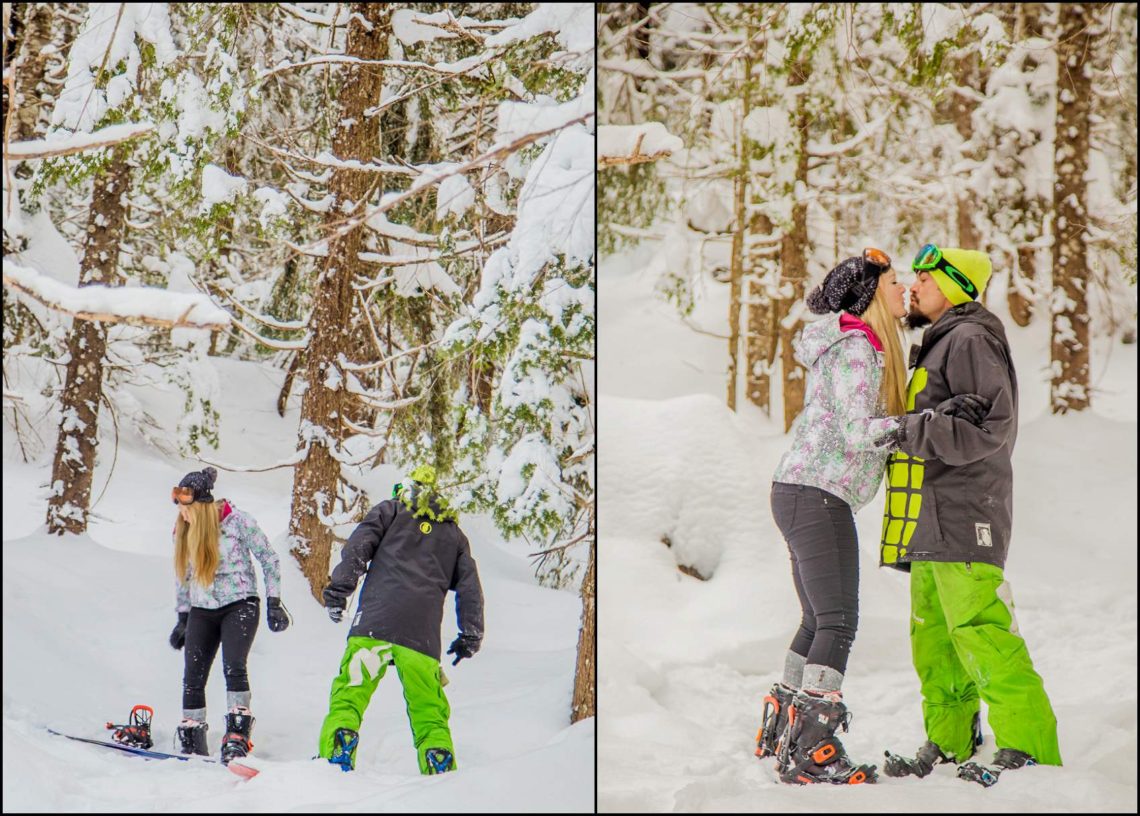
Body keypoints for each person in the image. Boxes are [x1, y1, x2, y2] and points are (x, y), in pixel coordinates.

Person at [754, 248, 990, 785]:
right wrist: (931, 419)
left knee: (817, 619)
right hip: (817, 492)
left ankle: (784, 728)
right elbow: (860, 430)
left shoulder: (856, 345)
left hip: (802, 489)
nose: (902, 289)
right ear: (868, 296)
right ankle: (812, 749)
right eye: (891, 284)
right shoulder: (860, 348)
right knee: (838, 621)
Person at [878, 244, 1062, 785]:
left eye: (926, 279)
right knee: (933, 639)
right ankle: (950, 740)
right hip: (928, 515)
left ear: (956, 286)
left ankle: (1029, 747)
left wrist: (910, 427)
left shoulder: (970, 338)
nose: (913, 286)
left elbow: (990, 429)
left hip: (965, 510)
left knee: (982, 629)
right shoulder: (939, 342)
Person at [317, 465, 484, 774]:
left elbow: (358, 548)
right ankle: (439, 764)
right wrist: (469, 635)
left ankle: (337, 749)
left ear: (403, 489)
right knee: (429, 709)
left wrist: (338, 592)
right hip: (421, 639)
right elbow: (469, 587)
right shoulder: (454, 535)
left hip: (374, 625)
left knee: (350, 692)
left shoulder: (390, 510)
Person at [167, 466, 289, 763]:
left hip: (240, 604)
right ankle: (192, 734)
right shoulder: (182, 530)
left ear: (201, 505)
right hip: (202, 609)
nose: (182, 514)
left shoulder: (238, 522)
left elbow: (269, 558)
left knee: (234, 666)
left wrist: (274, 600)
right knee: (192, 675)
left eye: (187, 508)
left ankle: (237, 734)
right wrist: (183, 617)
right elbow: (183, 574)